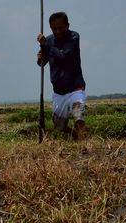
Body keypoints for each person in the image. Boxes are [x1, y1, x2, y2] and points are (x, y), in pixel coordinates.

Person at [37, 11, 88, 140]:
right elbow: (42, 63)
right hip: (58, 91)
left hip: (75, 88)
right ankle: (76, 137)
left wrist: (46, 46)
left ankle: (85, 146)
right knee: (59, 127)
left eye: (61, 28)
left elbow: (63, 56)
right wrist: (40, 57)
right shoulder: (48, 41)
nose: (58, 31)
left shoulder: (74, 37)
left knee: (78, 117)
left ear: (67, 25)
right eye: (54, 29)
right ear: (50, 28)